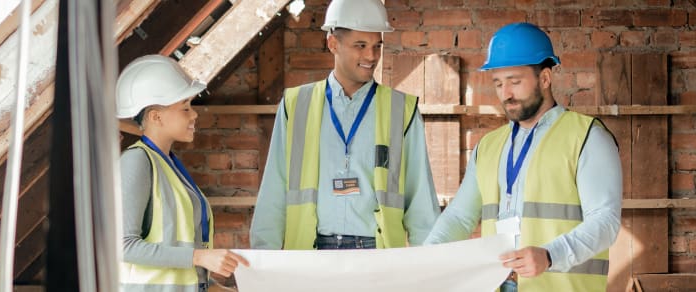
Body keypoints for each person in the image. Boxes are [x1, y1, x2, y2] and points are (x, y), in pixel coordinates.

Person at [423, 22, 622, 291]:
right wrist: (423, 259)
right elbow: (459, 218)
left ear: (545, 78)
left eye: (515, 82)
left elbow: (605, 221)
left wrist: (551, 255)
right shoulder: (489, 147)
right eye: (498, 83)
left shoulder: (587, 137)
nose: (506, 94)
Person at [250, 0, 439, 250]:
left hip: (377, 256)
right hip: (313, 255)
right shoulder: (296, 105)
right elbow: (274, 189)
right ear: (333, 44)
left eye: (376, 46)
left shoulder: (402, 110)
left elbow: (421, 203)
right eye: (360, 46)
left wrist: (430, 267)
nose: (371, 56)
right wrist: (264, 258)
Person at [117, 55, 248, 291]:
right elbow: (122, 245)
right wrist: (199, 257)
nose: (194, 114)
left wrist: (217, 288)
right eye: (185, 107)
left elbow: (179, 261)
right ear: (156, 116)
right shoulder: (136, 161)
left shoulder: (168, 165)